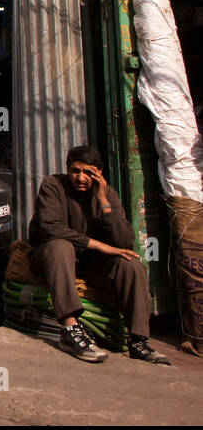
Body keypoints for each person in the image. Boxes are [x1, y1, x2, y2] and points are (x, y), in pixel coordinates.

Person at [28, 145, 171, 365]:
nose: (81, 178)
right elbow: (51, 228)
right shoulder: (53, 185)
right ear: (68, 170)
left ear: (99, 174)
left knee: (129, 262)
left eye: (88, 173)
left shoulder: (108, 194)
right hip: (51, 258)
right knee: (60, 246)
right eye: (76, 171)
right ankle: (70, 329)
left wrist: (103, 201)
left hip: (89, 263)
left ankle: (138, 340)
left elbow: (124, 241)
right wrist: (101, 246)